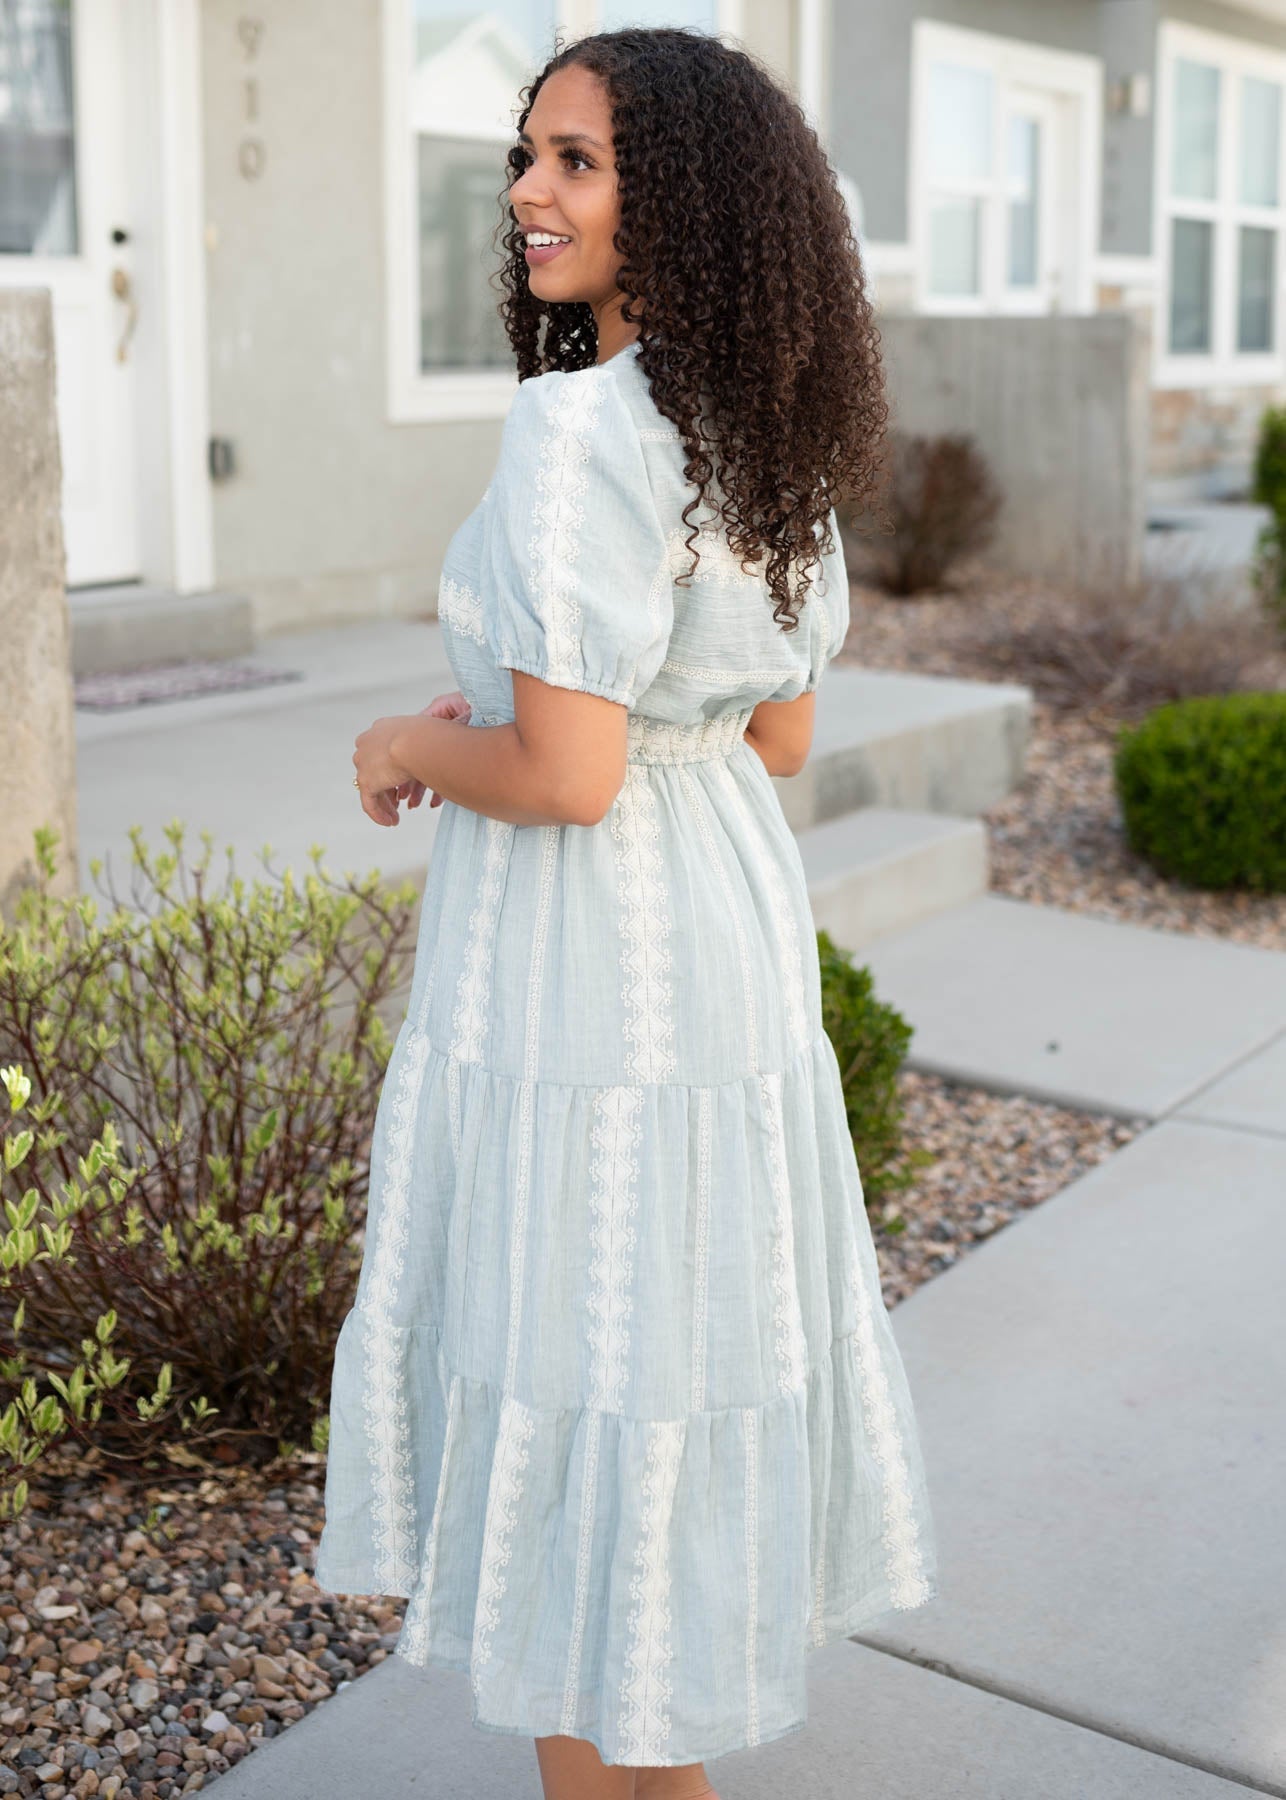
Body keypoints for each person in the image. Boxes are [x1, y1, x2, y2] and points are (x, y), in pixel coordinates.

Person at [314, 25, 938, 1799]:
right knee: (665, 1354)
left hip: (585, 964)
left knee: (586, 1366)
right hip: (725, 923)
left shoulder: (580, 427)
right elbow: (785, 729)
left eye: (575, 161)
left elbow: (568, 777)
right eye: (529, 154)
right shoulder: (764, 425)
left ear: (683, 202)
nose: (527, 188)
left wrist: (408, 737)